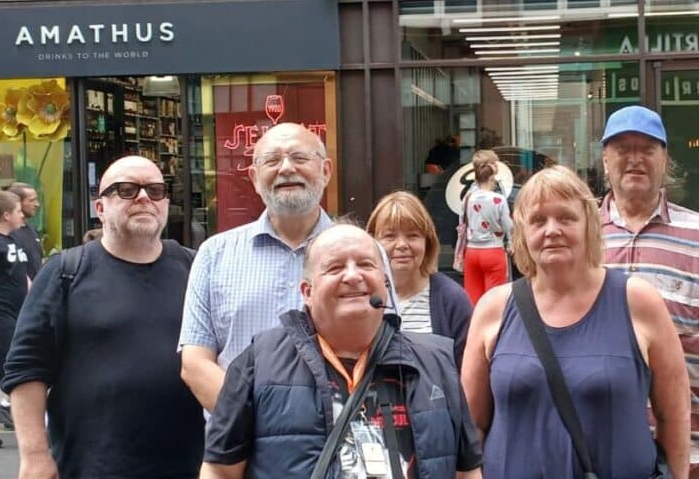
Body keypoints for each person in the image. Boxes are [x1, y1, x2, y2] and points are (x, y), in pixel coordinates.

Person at [200, 224, 483, 479]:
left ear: (385, 284)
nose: (352, 275)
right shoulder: (259, 362)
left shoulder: (436, 362)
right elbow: (220, 470)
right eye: (335, 268)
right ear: (306, 292)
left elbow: (466, 471)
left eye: (365, 264)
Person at [461, 165, 691, 478]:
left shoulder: (638, 301)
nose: (552, 229)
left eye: (566, 217)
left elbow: (673, 417)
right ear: (522, 232)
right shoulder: (493, 309)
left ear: (589, 225)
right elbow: (471, 428)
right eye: (538, 220)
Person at [1, 156, 203, 478]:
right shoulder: (65, 272)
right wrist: (35, 455)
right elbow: (26, 369)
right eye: (126, 189)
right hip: (93, 465)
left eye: (155, 190)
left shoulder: (195, 268)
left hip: (189, 464)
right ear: (100, 208)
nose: (143, 198)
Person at [599, 106, 699, 479]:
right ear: (605, 160)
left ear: (664, 159)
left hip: (692, 442)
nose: (635, 158)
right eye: (622, 148)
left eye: (647, 149)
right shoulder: (581, 232)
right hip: (597, 441)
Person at [179, 122, 334, 412]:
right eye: (272, 161)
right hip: (241, 450)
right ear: (254, 177)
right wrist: (255, 425)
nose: (286, 168)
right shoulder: (215, 255)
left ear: (326, 171)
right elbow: (195, 363)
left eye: (300, 158)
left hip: (339, 443)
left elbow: (384, 350)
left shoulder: (364, 254)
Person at [367, 190, 473, 367]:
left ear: (428, 242)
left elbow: (466, 375)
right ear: (371, 242)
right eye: (390, 236)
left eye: (412, 236)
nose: (402, 245)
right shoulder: (362, 295)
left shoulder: (451, 299)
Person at [0, 191, 26, 447]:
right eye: (19, 210)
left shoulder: (12, 241)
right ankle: (38, 427)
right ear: (6, 215)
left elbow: (23, 278)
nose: (23, 214)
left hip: (14, 315)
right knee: (20, 371)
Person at [460, 149, 513, 305]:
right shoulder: (498, 199)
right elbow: (508, 226)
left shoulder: (467, 198)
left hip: (471, 252)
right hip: (493, 251)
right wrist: (510, 241)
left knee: (473, 301)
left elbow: (462, 223)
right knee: (495, 303)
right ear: (493, 170)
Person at [4, 183, 42, 281]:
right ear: (18, 203)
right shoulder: (6, 234)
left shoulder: (32, 231)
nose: (37, 204)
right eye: (32, 200)